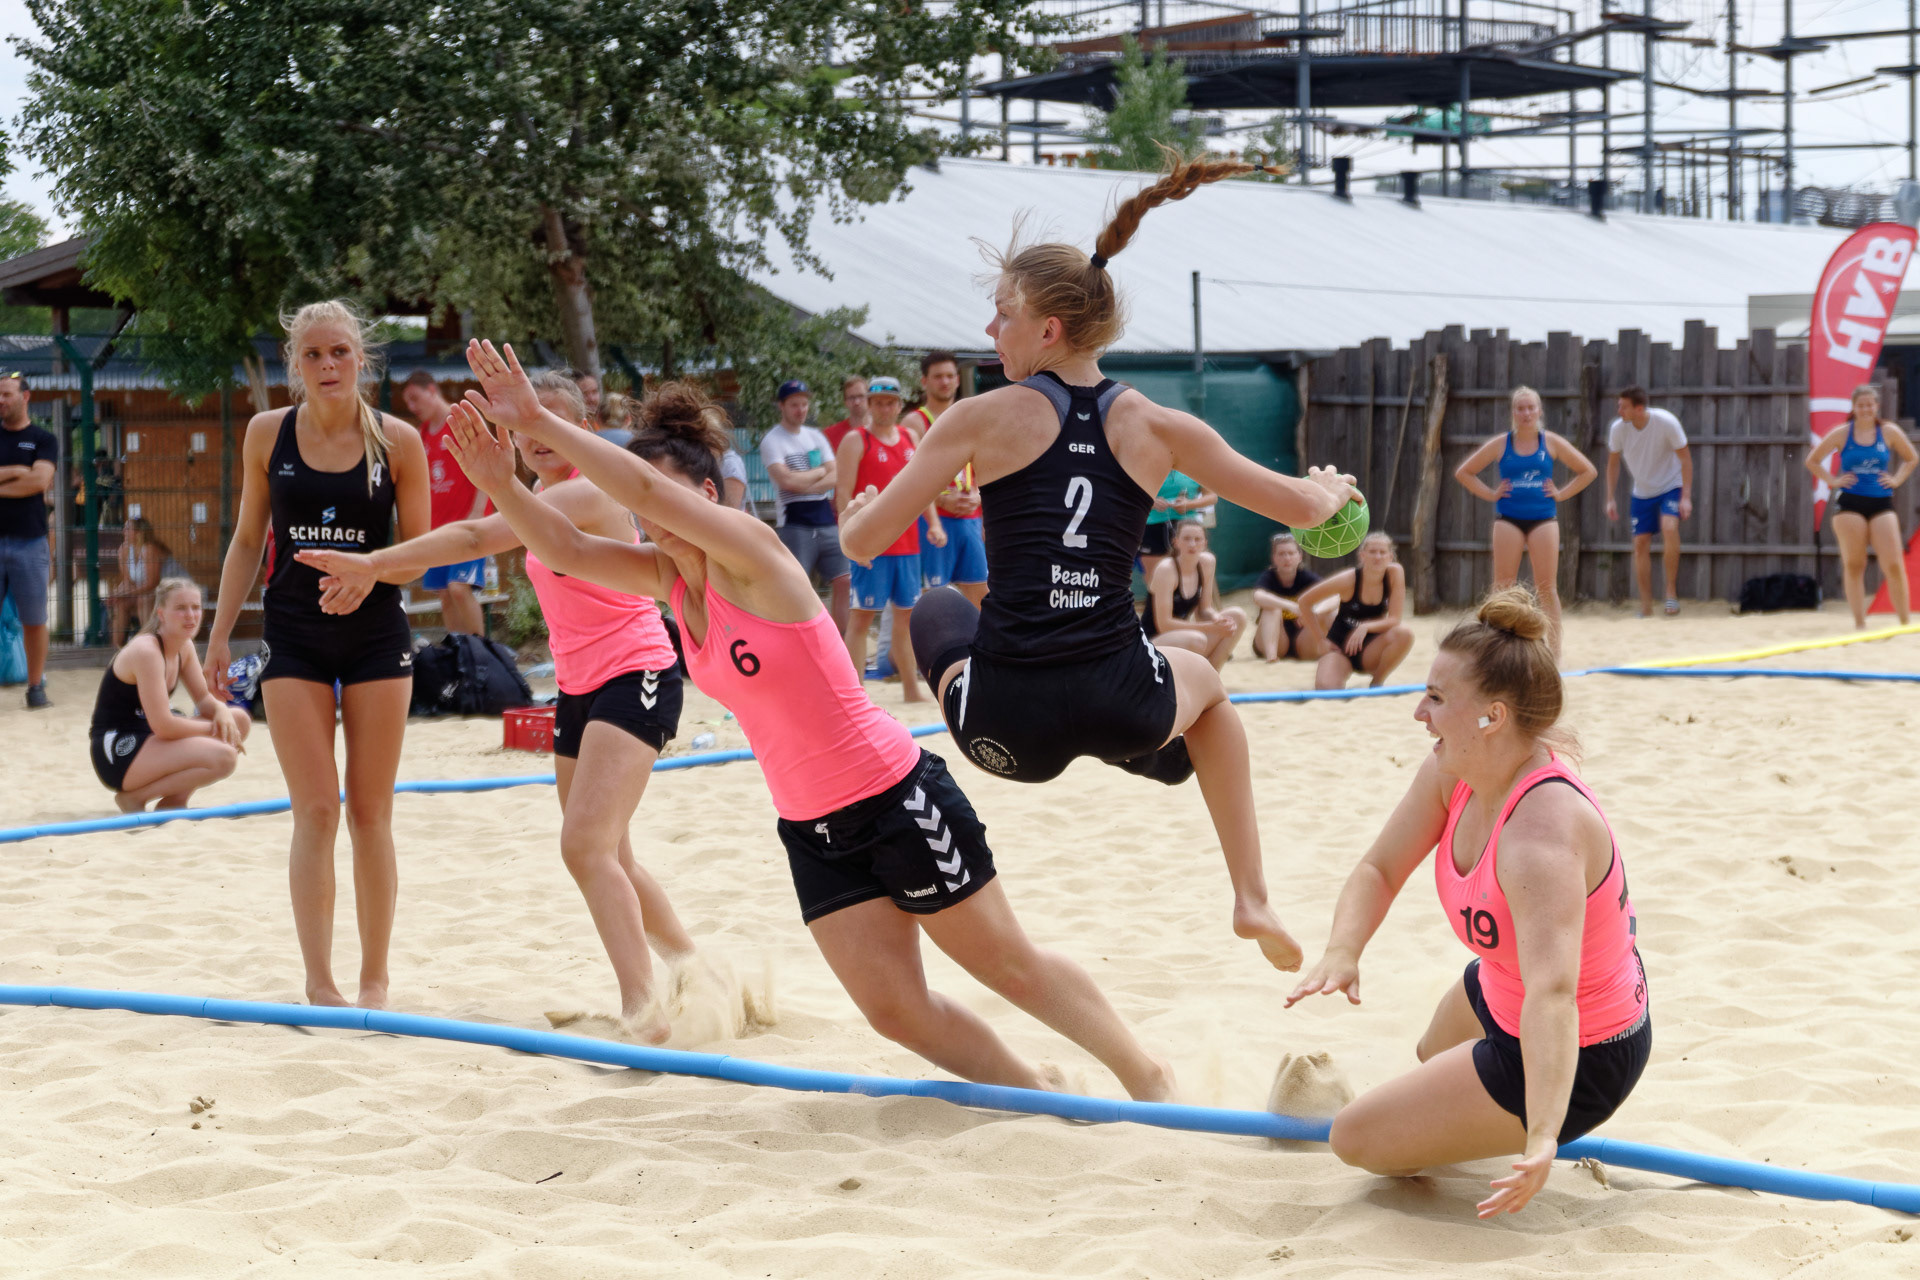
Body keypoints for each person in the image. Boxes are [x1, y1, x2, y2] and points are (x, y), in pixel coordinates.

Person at [452, 340, 1175, 1100]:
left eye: (669, 498)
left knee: (1007, 964)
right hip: (810, 825)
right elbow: (564, 546)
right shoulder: (672, 578)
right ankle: (1038, 1091)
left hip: (892, 795)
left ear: (709, 493)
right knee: (895, 1012)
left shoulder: (753, 552)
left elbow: (641, 488)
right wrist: (501, 485)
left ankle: (1146, 1074)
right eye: (647, 509)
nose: (653, 516)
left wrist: (541, 422)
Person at [838, 153, 1356, 969]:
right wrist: (1328, 490)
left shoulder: (977, 416)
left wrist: (857, 515)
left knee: (940, 606)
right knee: (1208, 693)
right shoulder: (1159, 424)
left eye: (1001, 314)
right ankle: (1250, 893)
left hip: (1005, 729)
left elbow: (863, 546)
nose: (989, 331)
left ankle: (1140, 726)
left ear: (1048, 329)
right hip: (1124, 701)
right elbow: (1300, 508)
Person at [298, 372, 698, 1038]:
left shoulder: (589, 490)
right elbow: (475, 534)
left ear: (579, 430)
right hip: (579, 688)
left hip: (637, 672)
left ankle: (643, 1009)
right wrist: (379, 564)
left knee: (586, 847)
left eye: (547, 422)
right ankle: (694, 974)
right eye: (521, 428)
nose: (534, 438)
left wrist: (374, 564)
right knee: (612, 856)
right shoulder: (536, 496)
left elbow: (473, 539)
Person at [1287, 587, 1650, 1218]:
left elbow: (1554, 997)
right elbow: (1378, 868)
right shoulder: (1454, 770)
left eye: (1435, 697)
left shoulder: (1540, 832)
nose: (1418, 712)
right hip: (1507, 986)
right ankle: (1465, 1118)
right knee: (1429, 1055)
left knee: (1353, 1139)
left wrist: (1543, 1135)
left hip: (1584, 1048)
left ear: (1492, 717)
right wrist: (1343, 950)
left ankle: (1508, 1120)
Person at [203, 299, 431, 1010]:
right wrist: (219, 630)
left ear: (361, 359)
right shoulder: (267, 432)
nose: (328, 365)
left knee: (370, 812)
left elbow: (420, 555)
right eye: (313, 354)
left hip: (376, 635)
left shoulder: (399, 441)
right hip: (294, 632)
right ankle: (320, 983)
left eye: (339, 352)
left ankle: (374, 980)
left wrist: (370, 574)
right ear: (294, 365)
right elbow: (248, 539)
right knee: (315, 811)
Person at [1452, 386, 1597, 656]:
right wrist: (1491, 493)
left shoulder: (1550, 442)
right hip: (1508, 520)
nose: (1526, 413)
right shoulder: (1501, 444)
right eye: (1520, 408)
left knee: (1547, 589)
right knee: (1502, 588)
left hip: (1544, 519)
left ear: (1539, 411)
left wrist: (1561, 493)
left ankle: (1554, 653)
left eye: (1531, 408)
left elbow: (1588, 471)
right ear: (1513, 413)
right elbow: (1464, 472)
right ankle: (1494, 648)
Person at [89, 578, 252, 812]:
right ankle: (134, 798)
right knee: (225, 757)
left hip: (148, 737)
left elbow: (204, 699)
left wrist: (221, 712)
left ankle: (173, 802)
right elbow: (164, 726)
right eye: (181, 608)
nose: (190, 616)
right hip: (118, 750)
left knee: (239, 720)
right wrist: (217, 728)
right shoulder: (146, 651)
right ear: (161, 614)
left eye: (195, 607)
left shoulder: (184, 646)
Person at [837, 375, 943, 701]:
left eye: (890, 402)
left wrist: (934, 524)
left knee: (906, 616)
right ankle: (855, 694)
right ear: (869, 405)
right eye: (879, 403)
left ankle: (911, 689)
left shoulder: (910, 437)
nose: (884, 408)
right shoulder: (856, 440)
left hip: (907, 543)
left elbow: (921, 487)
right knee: (861, 617)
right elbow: (843, 495)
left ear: (899, 405)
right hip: (871, 544)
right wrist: (851, 542)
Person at [1806, 383, 1916, 628]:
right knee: (1855, 564)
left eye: (1870, 405)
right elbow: (1812, 461)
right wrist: (1832, 480)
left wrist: (1896, 480)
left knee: (1894, 564)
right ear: (1854, 408)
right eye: (1861, 405)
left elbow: (1911, 458)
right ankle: (1859, 623)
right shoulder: (1842, 433)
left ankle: (1904, 622)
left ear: (1877, 406)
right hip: (1849, 504)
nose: (1866, 409)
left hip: (1881, 502)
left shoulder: (1889, 431)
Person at [758, 380, 849, 637]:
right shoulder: (773, 440)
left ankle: (839, 637)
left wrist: (808, 482)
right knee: (799, 585)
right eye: (794, 405)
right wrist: (819, 473)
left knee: (845, 579)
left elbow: (837, 474)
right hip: (794, 521)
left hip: (825, 517)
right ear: (782, 406)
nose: (800, 410)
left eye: (804, 404)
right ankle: (801, 636)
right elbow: (786, 481)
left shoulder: (815, 436)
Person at [402, 370, 489, 635]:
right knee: (445, 594)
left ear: (431, 390)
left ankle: (479, 652)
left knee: (459, 588)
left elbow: (486, 463)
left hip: (469, 525)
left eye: (415, 398)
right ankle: (458, 652)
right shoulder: (422, 435)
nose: (412, 407)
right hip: (438, 528)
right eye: (407, 403)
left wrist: (477, 511)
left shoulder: (461, 421)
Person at [1604, 386, 1692, 618]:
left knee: (1669, 527)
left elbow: (1686, 460)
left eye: (1623, 407)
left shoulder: (1666, 422)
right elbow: (1613, 464)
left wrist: (1686, 497)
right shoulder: (1617, 429)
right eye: (1619, 406)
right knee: (1640, 543)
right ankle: (1646, 607)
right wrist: (1610, 498)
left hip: (1670, 485)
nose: (1619, 411)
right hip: (1642, 491)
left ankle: (1670, 593)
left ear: (1639, 408)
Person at [911, 351, 989, 606]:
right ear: (924, 381)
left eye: (949, 376)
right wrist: (941, 500)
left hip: (970, 517)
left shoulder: (971, 418)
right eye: (937, 377)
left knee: (982, 594)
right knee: (932, 599)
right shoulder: (916, 422)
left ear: (957, 379)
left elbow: (985, 465)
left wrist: (979, 496)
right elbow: (909, 478)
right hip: (933, 520)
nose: (944, 382)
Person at [0, 371, 56, 709]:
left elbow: (39, 481)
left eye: (6, 394)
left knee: (34, 620)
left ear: (25, 397)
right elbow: (29, 477)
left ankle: (35, 688)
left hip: (30, 542)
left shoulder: (43, 439)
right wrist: (16, 471)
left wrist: (23, 478)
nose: (1, 401)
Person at [1297, 532, 1415, 691]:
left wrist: (1364, 626)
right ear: (1362, 555)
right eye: (1372, 552)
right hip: (1339, 647)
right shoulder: (1348, 579)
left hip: (1370, 647)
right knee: (1326, 688)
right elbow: (1304, 602)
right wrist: (1320, 641)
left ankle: (1377, 683)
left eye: (1382, 552)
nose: (1377, 557)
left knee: (1404, 634)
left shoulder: (1395, 573)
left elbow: (1394, 619)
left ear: (1390, 557)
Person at [1142, 520, 1246, 670]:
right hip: (1153, 642)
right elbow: (1164, 625)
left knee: (1237, 616)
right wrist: (1211, 627)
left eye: (1197, 539)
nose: (1192, 544)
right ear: (1176, 542)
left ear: (1205, 543)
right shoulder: (1166, 569)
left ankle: (1211, 675)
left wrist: (1217, 619)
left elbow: (1205, 609)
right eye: (1186, 539)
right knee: (1196, 640)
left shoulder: (1207, 562)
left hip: (1184, 637)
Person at [1250, 532, 1327, 663]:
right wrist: (1290, 606)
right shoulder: (1269, 577)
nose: (1287, 558)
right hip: (1275, 640)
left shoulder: (1306, 577)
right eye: (1281, 554)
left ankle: (1332, 649)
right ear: (1274, 558)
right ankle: (1271, 658)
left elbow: (1334, 596)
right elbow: (1258, 596)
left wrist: (1314, 612)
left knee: (1328, 612)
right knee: (1272, 608)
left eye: (1291, 553)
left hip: (1302, 641)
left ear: (1299, 557)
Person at [107, 516, 176, 646]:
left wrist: (126, 593)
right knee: (121, 603)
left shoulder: (149, 549)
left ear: (139, 533)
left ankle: (150, 644)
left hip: (171, 589)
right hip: (147, 591)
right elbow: (128, 581)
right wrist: (117, 594)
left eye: (128, 529)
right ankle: (117, 648)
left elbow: (153, 583)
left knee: (143, 600)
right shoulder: (124, 550)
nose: (124, 532)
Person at [1138, 469, 1213, 586]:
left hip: (1187, 526)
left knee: (1194, 575)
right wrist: (1151, 502)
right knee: (1155, 579)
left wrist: (1189, 504)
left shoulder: (1196, 466)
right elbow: (1129, 494)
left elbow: (1212, 497)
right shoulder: (1146, 465)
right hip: (1152, 526)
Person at [821, 375, 871, 454]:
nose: (856, 402)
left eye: (861, 396)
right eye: (851, 398)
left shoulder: (883, 432)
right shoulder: (829, 435)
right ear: (845, 402)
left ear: (870, 398)